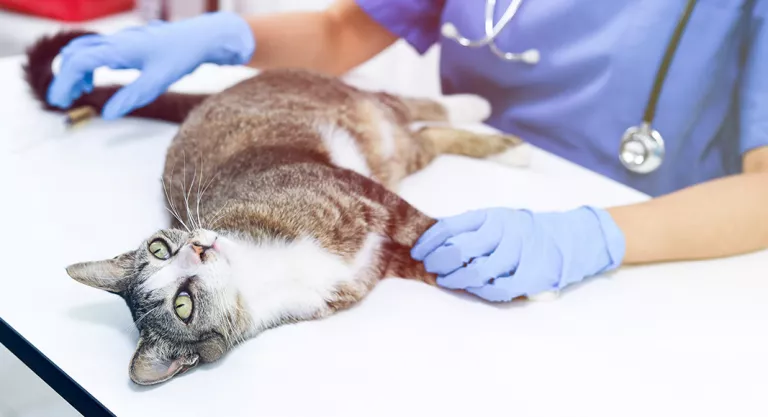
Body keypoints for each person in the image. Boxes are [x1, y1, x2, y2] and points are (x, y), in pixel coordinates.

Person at [47, 0, 768, 302]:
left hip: (661, 249)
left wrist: (596, 236)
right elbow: (344, 30)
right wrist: (228, 37)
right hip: (465, 185)